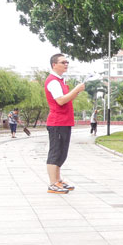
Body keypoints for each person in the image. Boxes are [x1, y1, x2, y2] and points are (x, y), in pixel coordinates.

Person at [44, 53, 85, 194]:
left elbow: (67, 99)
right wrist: (76, 89)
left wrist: (75, 92)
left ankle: (58, 180)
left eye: (67, 62)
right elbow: (61, 100)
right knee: (55, 152)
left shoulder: (60, 80)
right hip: (57, 122)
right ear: (54, 65)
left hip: (65, 121)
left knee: (62, 152)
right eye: (63, 62)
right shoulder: (53, 81)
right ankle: (53, 183)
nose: (66, 64)